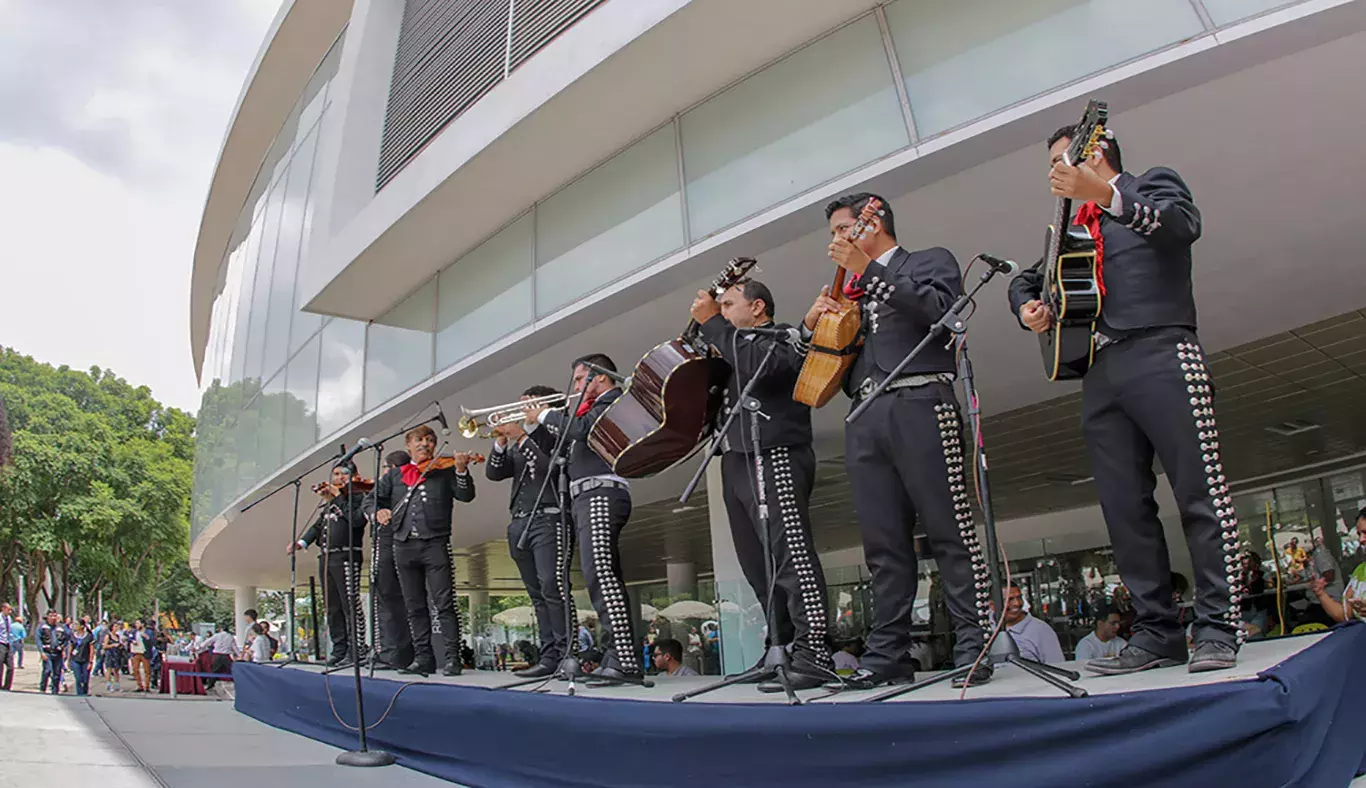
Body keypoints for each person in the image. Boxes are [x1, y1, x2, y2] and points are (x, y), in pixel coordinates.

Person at [1009, 121, 1240, 675]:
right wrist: (1027, 308)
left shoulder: (1151, 185)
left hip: (1162, 347)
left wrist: (1108, 195)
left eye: (1065, 159)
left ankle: (1218, 626)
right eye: (1053, 165)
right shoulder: (1071, 229)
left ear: (1099, 151)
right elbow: (1027, 280)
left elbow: (1182, 226)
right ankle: (1157, 631)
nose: (1055, 172)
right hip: (1101, 369)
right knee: (1124, 508)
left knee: (1199, 491)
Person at [802, 193, 992, 690]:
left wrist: (870, 269)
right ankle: (888, 652)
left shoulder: (928, 260)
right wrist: (815, 326)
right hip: (864, 411)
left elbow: (940, 310)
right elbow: (827, 363)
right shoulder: (852, 290)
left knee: (950, 529)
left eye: (844, 228)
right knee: (883, 543)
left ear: (874, 221)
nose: (837, 241)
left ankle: (974, 642)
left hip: (921, 399)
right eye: (834, 233)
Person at [691, 277, 834, 692]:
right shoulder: (728, 347)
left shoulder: (781, 337)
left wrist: (713, 322)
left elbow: (761, 364)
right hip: (736, 459)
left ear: (757, 308)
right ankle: (780, 648)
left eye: (730, 303)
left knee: (790, 556)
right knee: (757, 565)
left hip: (776, 452)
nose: (722, 311)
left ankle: (815, 653)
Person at [526, 354, 642, 682]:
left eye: (579, 380)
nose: (575, 387)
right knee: (599, 576)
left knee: (601, 574)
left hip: (602, 493)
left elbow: (580, 430)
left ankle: (624, 659)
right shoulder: (588, 410)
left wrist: (546, 412)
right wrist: (531, 425)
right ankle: (615, 656)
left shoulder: (614, 400)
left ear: (599, 377)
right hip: (585, 495)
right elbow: (560, 449)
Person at [374, 426, 476, 676]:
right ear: (408, 445)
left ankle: (453, 657)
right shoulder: (394, 476)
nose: (425, 444)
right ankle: (423, 658)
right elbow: (372, 500)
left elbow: (466, 495)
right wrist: (378, 511)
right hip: (403, 544)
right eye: (419, 440)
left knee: (444, 602)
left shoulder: (446, 470)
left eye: (430, 441)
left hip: (435, 543)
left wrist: (462, 470)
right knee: (414, 605)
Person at [486, 386, 568, 679]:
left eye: (527, 404)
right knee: (536, 593)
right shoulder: (521, 442)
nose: (519, 410)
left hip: (549, 518)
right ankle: (549, 656)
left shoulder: (557, 430)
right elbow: (495, 473)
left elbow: (548, 468)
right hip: (520, 521)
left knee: (552, 587)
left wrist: (520, 436)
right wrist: (500, 443)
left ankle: (566, 653)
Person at [290, 462, 372, 668]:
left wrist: (337, 497)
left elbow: (356, 521)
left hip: (347, 555)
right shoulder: (332, 501)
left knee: (349, 604)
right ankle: (339, 648)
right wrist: (302, 542)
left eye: (342, 474)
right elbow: (319, 525)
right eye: (335, 474)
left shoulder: (358, 497)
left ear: (354, 476)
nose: (337, 478)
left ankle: (356, 649)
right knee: (332, 607)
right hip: (327, 557)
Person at [370, 450, 415, 671]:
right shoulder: (382, 491)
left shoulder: (401, 486)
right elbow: (367, 505)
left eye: (386, 469)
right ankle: (388, 650)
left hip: (394, 542)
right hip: (383, 541)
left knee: (391, 599)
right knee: (384, 598)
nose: (384, 474)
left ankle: (395, 653)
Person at [1311, 508, 1366, 623]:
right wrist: (1321, 593)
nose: (1361, 539)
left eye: (1365, 533)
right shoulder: (1360, 571)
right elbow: (1343, 615)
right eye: (1359, 534)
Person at [995, 585, 1065, 664]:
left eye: (1019, 597)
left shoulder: (1040, 630)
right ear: (992, 605)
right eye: (1010, 599)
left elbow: (1057, 667)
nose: (1017, 603)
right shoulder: (986, 630)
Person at [38, 610, 70, 695]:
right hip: (47, 652)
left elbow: (68, 637)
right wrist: (41, 652)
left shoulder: (61, 627)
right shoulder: (42, 626)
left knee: (57, 673)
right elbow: (38, 639)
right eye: (51, 616)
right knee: (47, 670)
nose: (53, 618)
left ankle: (55, 690)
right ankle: (42, 688)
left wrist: (64, 647)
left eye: (55, 616)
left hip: (58, 653)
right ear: (47, 616)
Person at [69, 619, 95, 696]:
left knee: (85, 679)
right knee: (78, 678)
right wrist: (68, 659)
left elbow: (91, 650)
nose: (75, 626)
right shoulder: (73, 635)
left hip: (85, 660)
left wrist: (90, 661)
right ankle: (79, 695)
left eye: (76, 624)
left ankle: (84, 692)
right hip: (75, 659)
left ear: (82, 626)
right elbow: (70, 648)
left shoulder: (89, 636)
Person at [127, 619, 153, 692]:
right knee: (135, 669)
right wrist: (132, 641)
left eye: (138, 623)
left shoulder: (148, 632)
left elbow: (152, 642)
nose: (136, 625)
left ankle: (147, 686)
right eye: (136, 623)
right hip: (136, 652)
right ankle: (139, 685)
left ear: (142, 624)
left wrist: (147, 638)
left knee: (147, 670)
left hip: (144, 652)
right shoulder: (134, 632)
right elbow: (129, 638)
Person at [102, 620, 125, 693]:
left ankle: (116, 685)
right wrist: (112, 645)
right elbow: (105, 646)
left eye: (117, 626)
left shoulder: (117, 636)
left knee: (116, 670)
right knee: (109, 669)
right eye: (115, 626)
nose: (117, 628)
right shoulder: (108, 636)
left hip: (116, 654)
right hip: (110, 654)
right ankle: (109, 685)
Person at [0, 603, 14, 691]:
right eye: (8, 610)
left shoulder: (9, 618)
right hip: (0, 643)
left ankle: (7, 687)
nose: (10, 611)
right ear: (3, 609)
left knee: (11, 667)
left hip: (8, 643)